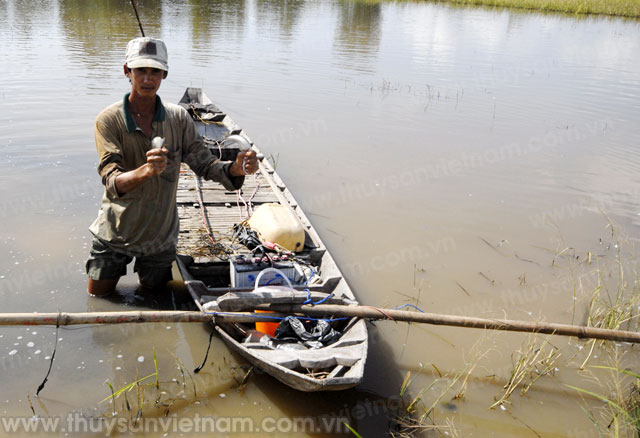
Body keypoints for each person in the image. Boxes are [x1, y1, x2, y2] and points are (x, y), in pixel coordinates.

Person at [86, 37, 258, 297]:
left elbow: (205, 164)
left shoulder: (178, 118)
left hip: (160, 236)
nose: (147, 78)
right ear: (127, 71)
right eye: (140, 70)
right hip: (115, 232)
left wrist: (236, 169)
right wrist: (147, 170)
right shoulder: (108, 120)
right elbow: (112, 181)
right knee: (99, 299)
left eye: (155, 71)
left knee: (155, 299)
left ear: (164, 74)